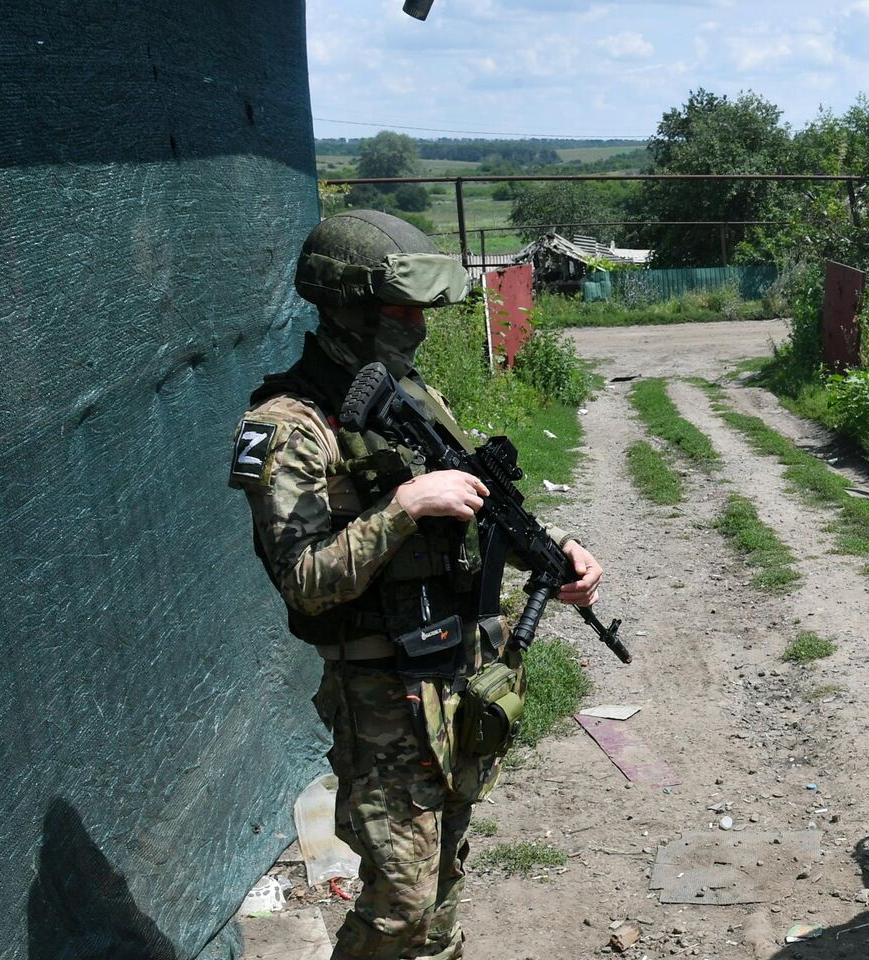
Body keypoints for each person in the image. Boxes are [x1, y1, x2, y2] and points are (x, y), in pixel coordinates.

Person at [230, 210, 601, 960]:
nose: (418, 327)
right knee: (398, 907)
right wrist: (404, 507)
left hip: (454, 673)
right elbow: (303, 579)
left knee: (443, 875)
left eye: (422, 309)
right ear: (348, 306)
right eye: (401, 310)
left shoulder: (410, 396)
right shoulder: (290, 423)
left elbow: (482, 499)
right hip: (380, 695)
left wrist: (556, 551)